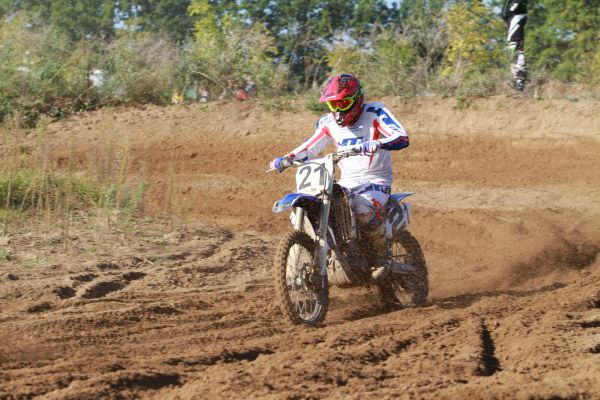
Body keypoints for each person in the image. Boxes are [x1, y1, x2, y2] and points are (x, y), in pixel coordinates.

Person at [269, 73, 410, 280]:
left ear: (357, 99)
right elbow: (310, 146)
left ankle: (382, 259)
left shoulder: (375, 112)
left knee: (363, 212)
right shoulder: (328, 123)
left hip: (375, 180)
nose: (338, 110)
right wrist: (287, 158)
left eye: (343, 103)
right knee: (325, 207)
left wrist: (378, 143)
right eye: (333, 105)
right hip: (347, 181)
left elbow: (402, 137)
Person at [502, 0, 528, 91]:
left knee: (515, 46)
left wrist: (512, 8)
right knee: (514, 47)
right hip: (514, 17)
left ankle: (520, 81)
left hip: (516, 16)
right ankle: (518, 81)